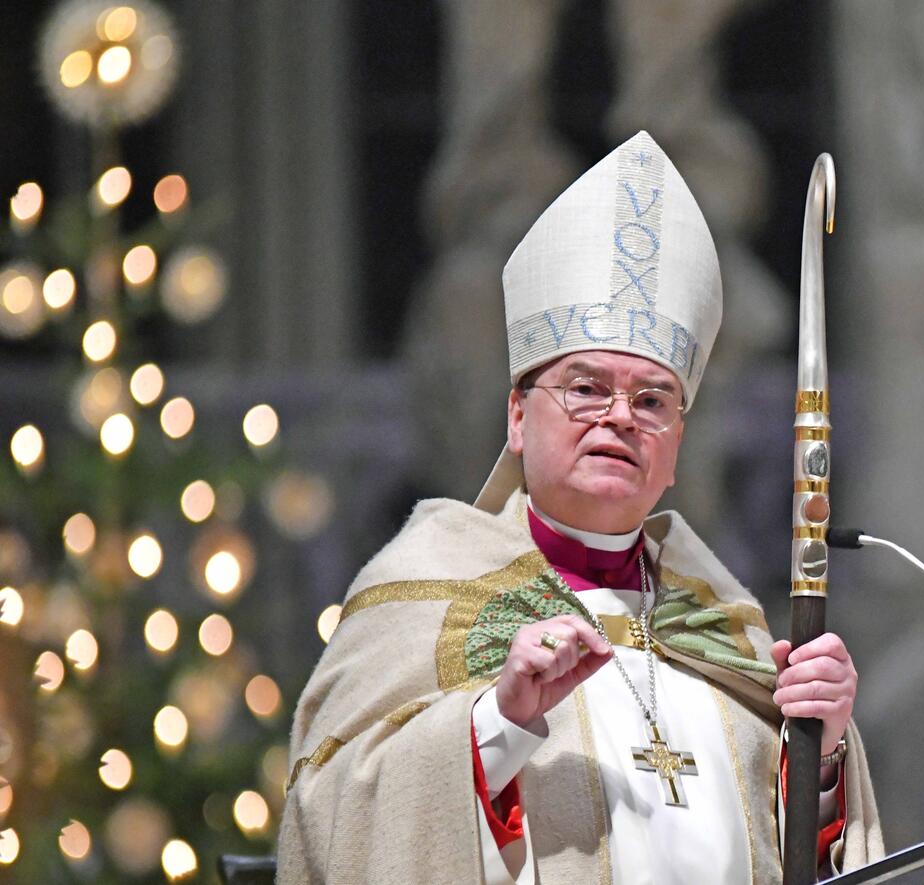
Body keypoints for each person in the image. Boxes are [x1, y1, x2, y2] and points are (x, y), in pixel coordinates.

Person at [278, 132, 885, 883]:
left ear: (676, 443)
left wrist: (821, 755)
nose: (621, 417)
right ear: (516, 416)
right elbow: (332, 804)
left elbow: (794, 854)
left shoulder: (725, 622)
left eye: (653, 399)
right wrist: (497, 721)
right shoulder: (423, 583)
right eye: (586, 387)